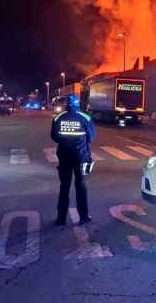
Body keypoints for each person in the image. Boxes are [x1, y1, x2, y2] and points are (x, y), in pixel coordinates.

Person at [50, 94, 96, 226]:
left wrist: (65, 141)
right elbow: (91, 138)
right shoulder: (85, 117)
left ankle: (61, 218)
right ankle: (84, 217)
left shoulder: (58, 117)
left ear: (66, 104)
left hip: (64, 156)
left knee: (64, 186)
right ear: (78, 104)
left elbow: (54, 136)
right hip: (81, 156)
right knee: (81, 185)